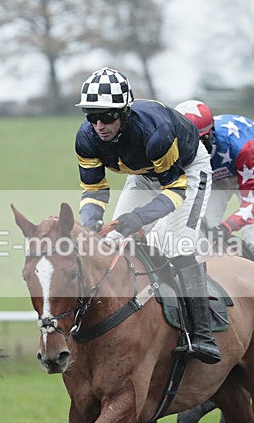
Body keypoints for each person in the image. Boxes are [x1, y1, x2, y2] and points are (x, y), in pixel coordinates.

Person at [75, 67, 219, 364]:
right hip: (143, 174)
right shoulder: (86, 139)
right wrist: (89, 225)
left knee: (177, 245)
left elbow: (175, 190)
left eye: (107, 116)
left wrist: (139, 218)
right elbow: (93, 190)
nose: (99, 125)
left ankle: (203, 334)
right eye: (92, 116)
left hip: (186, 172)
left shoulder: (155, 133)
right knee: (111, 242)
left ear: (124, 113)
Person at [175, 100, 254, 272]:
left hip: (250, 168)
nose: (190, 150)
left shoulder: (241, 146)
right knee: (202, 235)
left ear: (210, 134)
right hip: (214, 176)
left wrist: (228, 226)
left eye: (197, 142)